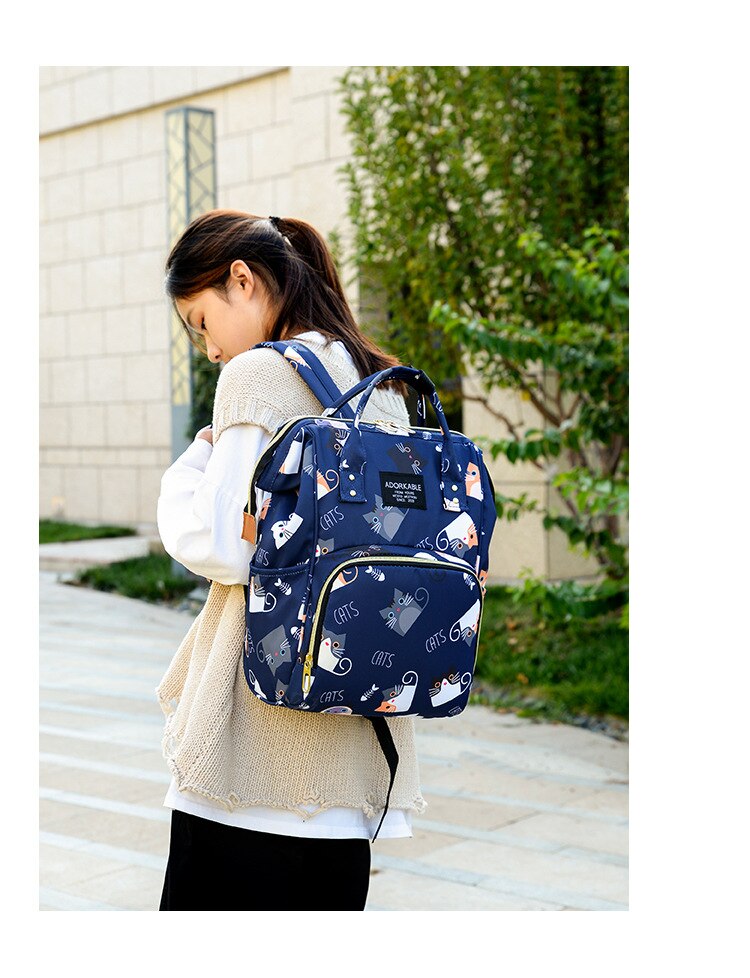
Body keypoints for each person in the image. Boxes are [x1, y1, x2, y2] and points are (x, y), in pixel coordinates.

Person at [155, 210, 427, 911]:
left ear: (242, 280)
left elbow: (221, 545)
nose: (209, 349)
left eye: (202, 322)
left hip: (254, 766)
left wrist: (193, 464)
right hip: (357, 771)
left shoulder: (260, 375)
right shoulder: (380, 384)